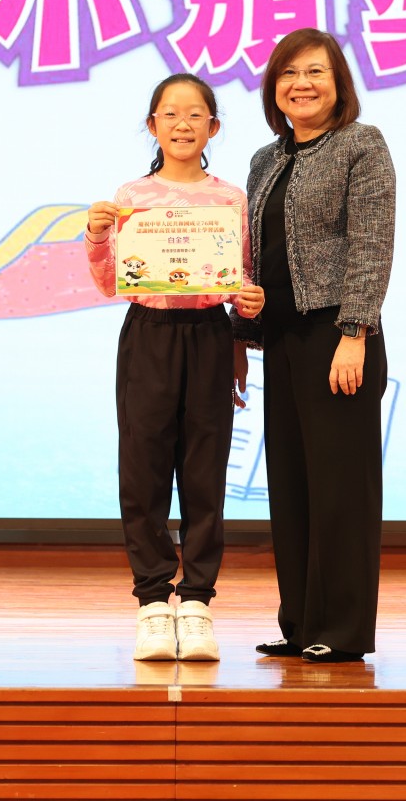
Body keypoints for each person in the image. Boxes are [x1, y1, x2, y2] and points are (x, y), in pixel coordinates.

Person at [86, 72, 265, 662]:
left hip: (210, 335)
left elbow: (239, 276)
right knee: (143, 470)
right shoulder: (130, 196)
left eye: (195, 115)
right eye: (170, 114)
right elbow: (110, 281)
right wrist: (97, 235)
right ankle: (153, 604)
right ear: (152, 125)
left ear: (213, 127)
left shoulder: (230, 198)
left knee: (204, 471)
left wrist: (248, 303)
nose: (182, 124)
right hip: (149, 333)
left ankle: (197, 603)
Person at [233, 28, 395, 664]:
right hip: (283, 338)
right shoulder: (264, 160)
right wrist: (243, 332)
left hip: (338, 337)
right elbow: (255, 255)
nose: (301, 84)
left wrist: (354, 331)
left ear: (338, 83)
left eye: (315, 72)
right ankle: (300, 622)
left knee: (341, 489)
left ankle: (344, 629)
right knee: (293, 484)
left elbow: (372, 243)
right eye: (288, 73)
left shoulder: (361, 144)